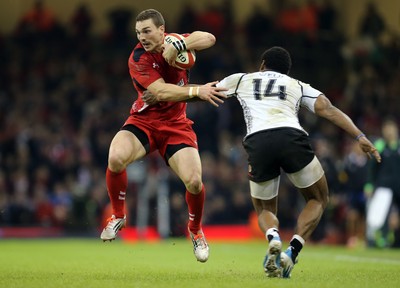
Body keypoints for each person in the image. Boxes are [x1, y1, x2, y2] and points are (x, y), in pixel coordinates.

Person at [214, 47, 381, 277]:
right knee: (318, 198)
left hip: (258, 141)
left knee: (263, 207)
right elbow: (327, 109)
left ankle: (273, 237)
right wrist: (359, 136)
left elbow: (205, 92)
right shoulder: (297, 84)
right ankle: (292, 251)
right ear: (287, 70)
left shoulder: (242, 79)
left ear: (262, 64)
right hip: (291, 137)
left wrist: (168, 93)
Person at [100, 8, 227, 264]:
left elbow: (209, 38)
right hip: (144, 121)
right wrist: (197, 91)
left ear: (161, 29)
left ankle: (195, 231)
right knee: (115, 157)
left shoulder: (174, 41)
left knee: (193, 181)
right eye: (138, 33)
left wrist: (181, 42)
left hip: (176, 125)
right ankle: (118, 216)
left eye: (147, 31)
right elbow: (161, 92)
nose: (142, 37)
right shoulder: (138, 57)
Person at [365, 118, 400, 248]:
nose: (389, 132)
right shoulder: (380, 145)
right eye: (386, 129)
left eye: (391, 128)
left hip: (398, 186)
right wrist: (369, 184)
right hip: (384, 186)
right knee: (380, 216)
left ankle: (395, 241)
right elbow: (372, 167)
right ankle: (380, 239)